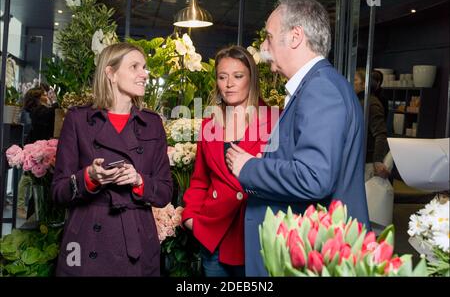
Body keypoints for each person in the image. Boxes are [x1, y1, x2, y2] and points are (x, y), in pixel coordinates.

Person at [225, 0, 370, 276]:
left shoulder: (320, 89)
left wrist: (249, 167)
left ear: (295, 37)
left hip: (311, 253)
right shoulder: (318, 85)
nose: (263, 48)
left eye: (268, 37)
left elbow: (315, 178)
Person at [51, 43, 173, 276]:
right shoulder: (78, 120)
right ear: (111, 73)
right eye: (135, 67)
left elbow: (165, 192)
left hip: (136, 239)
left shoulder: (152, 123)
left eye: (145, 67)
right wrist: (89, 177)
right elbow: (58, 191)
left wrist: (139, 181)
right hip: (86, 240)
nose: (144, 74)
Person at [181, 45, 277, 277]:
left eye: (238, 76)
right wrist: (190, 218)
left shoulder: (274, 120)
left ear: (251, 79)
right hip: (214, 236)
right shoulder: (209, 125)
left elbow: (284, 177)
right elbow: (200, 181)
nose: (229, 84)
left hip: (255, 234)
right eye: (222, 77)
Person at [17, 85, 58, 219]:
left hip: (36, 146)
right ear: (38, 99)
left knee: (32, 179)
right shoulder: (38, 111)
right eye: (44, 95)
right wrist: (56, 103)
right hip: (36, 148)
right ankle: (23, 208)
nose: (47, 97)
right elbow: (51, 114)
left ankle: (28, 210)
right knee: (30, 179)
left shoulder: (35, 110)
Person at [354, 68, 390, 180]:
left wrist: (377, 161)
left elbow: (380, 134)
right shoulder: (359, 101)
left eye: (355, 80)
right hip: (360, 161)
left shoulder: (371, 103)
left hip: (368, 163)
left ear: (364, 83)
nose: (351, 83)